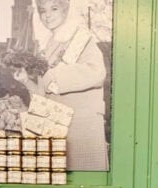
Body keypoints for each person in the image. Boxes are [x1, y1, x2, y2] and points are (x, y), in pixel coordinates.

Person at [15, 0, 108, 171]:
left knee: (84, 186)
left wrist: (55, 77)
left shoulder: (80, 38)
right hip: (59, 129)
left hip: (80, 130)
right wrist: (26, 81)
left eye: (54, 9)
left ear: (66, 10)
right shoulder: (52, 44)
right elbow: (45, 98)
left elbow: (97, 72)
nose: (47, 15)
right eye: (42, 11)